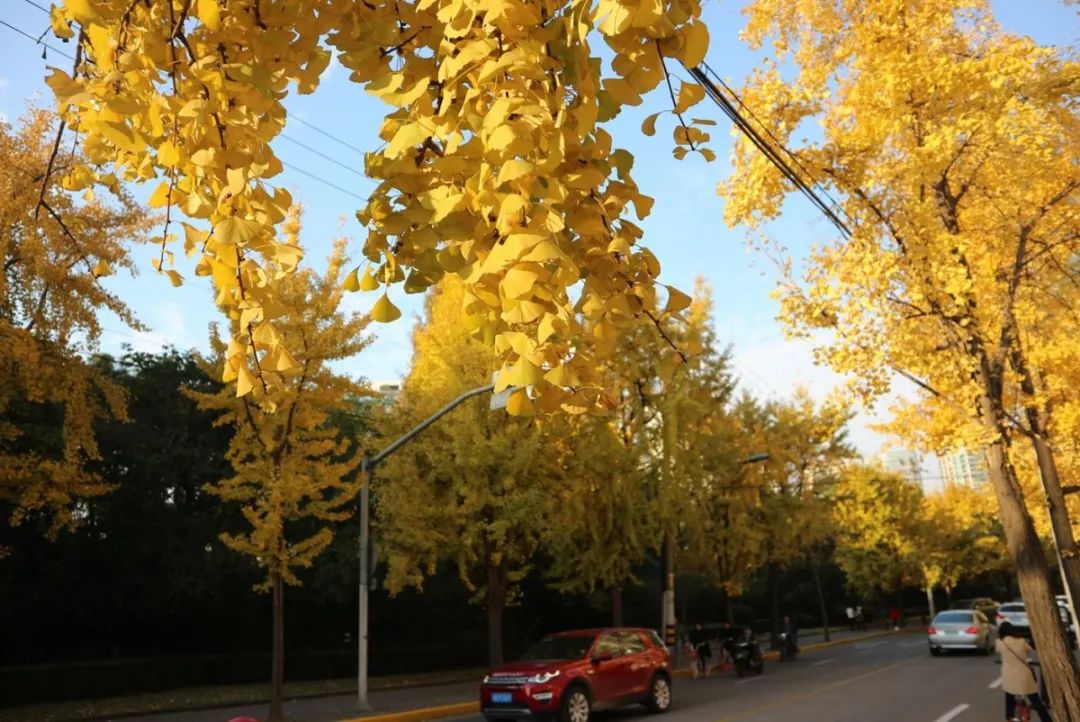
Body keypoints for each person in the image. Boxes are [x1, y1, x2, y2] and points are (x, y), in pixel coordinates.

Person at [996, 622, 1051, 722]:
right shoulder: (1021, 641)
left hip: (1009, 676)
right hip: (1024, 674)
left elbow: (998, 651)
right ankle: (1046, 719)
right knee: (1035, 699)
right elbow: (1030, 650)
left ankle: (1010, 717)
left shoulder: (1000, 642)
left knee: (1009, 696)